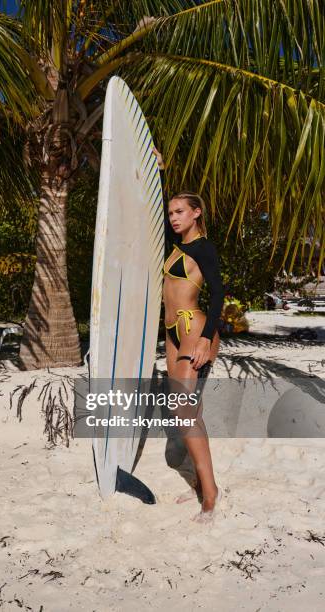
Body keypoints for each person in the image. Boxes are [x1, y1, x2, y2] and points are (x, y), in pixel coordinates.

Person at [153, 147, 225, 522]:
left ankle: (210, 493)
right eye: (171, 212)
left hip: (193, 327)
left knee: (183, 411)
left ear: (197, 213)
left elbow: (219, 295)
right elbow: (160, 219)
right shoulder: (176, 245)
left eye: (180, 211)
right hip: (171, 333)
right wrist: (162, 173)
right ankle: (199, 482)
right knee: (186, 408)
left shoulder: (203, 248)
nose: (173, 217)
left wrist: (203, 339)